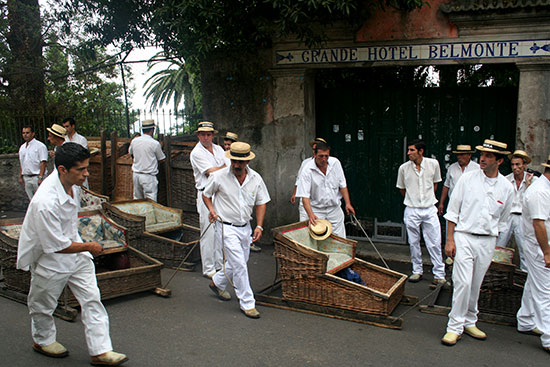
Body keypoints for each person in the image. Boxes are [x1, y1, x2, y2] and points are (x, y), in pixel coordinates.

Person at [16, 142, 128, 366]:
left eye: (87, 167)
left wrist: (83, 246)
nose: (86, 174)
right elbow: (56, 246)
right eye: (81, 169)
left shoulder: (74, 186)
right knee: (42, 304)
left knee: (92, 298)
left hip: (75, 251)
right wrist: (90, 247)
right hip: (50, 257)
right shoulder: (44, 202)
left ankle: (100, 351)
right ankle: (42, 339)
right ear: (62, 170)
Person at [441, 139, 514, 346]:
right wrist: (449, 240)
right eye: (482, 154)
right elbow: (452, 211)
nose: (483, 158)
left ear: (499, 161)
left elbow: (504, 220)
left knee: (476, 283)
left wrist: (496, 243)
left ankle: (470, 320)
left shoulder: (506, 188)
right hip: (464, 236)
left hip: (487, 240)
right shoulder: (467, 179)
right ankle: (454, 326)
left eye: (489, 156)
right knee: (462, 282)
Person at [203, 142, 270, 319]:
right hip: (225, 227)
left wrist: (259, 226)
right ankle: (247, 303)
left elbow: (262, 202)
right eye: (234, 161)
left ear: (247, 161)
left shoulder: (256, 178)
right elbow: (206, 194)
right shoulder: (218, 176)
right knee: (239, 264)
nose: (236, 165)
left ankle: (217, 282)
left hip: (245, 227)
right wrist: (211, 209)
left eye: (240, 162)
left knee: (239, 261)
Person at [396, 139, 445, 285]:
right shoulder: (403, 168)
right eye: (409, 150)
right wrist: (413, 200)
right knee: (413, 242)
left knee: (435, 241)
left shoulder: (433, 164)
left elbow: (435, 184)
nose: (408, 153)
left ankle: (439, 274)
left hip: (430, 208)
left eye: (412, 150)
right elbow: (402, 188)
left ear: (421, 151)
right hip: (411, 209)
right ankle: (417, 271)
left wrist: (426, 199)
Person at [516, 154, 550, 354]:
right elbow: (538, 224)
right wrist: (546, 252)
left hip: (540, 245)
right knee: (545, 290)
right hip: (537, 245)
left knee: (535, 282)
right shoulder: (539, 192)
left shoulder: (545, 189)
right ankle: (548, 336)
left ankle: (526, 319)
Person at [296, 141, 355, 238]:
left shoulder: (335, 163)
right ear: (314, 154)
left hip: (334, 208)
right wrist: (311, 215)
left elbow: (342, 185)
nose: (324, 159)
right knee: (315, 238)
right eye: (321, 156)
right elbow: (305, 197)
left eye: (326, 156)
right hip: (316, 209)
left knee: (339, 238)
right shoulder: (307, 170)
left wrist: (348, 203)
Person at [190, 121, 227, 278]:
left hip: (219, 194)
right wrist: (225, 168)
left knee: (220, 230)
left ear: (213, 135)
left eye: (209, 134)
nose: (206, 137)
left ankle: (219, 264)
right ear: (198, 135)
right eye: (203, 134)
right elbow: (210, 173)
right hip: (205, 193)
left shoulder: (219, 149)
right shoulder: (196, 153)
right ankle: (209, 267)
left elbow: (227, 166)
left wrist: (223, 169)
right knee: (208, 231)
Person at [496, 150, 535, 272]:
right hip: (507, 216)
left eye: (518, 164)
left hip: (523, 217)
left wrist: (528, 186)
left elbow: (533, 201)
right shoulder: (506, 180)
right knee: (499, 245)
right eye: (513, 165)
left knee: (524, 248)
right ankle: (496, 273)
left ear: (524, 165)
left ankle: (524, 275)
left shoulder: (533, 181)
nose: (515, 168)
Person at [128, 120, 166, 202]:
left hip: (136, 175)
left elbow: (131, 153)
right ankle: (149, 215)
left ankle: (138, 215)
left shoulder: (134, 141)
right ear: (152, 130)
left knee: (137, 200)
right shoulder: (154, 143)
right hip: (148, 177)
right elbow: (162, 159)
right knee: (150, 201)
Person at [290, 138, 327, 221]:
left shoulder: (330, 164)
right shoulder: (306, 163)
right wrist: (294, 193)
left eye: (316, 149)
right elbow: (299, 178)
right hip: (305, 198)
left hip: (319, 202)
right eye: (313, 149)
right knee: (304, 223)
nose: (314, 151)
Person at [438, 145, 479, 216]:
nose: (459, 157)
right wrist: (441, 203)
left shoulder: (477, 169)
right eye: (458, 155)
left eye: (462, 154)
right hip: (453, 204)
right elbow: (446, 186)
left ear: (469, 155)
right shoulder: (452, 168)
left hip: (471, 205)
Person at [18, 125, 48, 200]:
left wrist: (41, 177)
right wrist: (20, 176)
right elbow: (22, 162)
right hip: (27, 177)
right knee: (31, 200)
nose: (25, 135)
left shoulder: (40, 146)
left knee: (41, 199)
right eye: (23, 133)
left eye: (27, 133)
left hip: (37, 177)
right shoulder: (22, 147)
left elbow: (43, 162)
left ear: (33, 133)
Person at [63, 118, 90, 188]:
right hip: (68, 173)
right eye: (64, 127)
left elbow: (83, 156)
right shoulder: (63, 140)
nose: (65, 129)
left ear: (73, 126)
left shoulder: (81, 139)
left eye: (67, 126)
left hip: (79, 170)